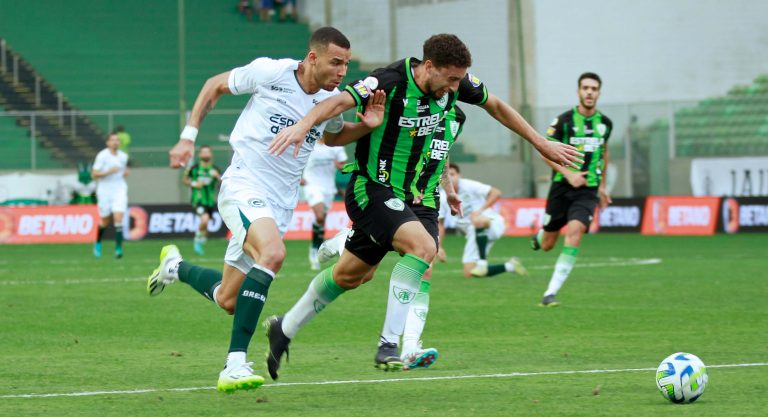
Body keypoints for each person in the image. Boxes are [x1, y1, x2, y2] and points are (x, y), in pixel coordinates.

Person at [263, 33, 583, 379]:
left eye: (460, 80)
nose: (456, 87)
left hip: (422, 198)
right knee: (423, 247)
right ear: (429, 66)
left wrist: (539, 143)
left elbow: (495, 107)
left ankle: (285, 327)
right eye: (451, 79)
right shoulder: (387, 82)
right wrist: (303, 125)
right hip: (374, 187)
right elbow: (337, 103)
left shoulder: (454, 86)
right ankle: (389, 345)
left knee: (351, 275)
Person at [145, 27, 383, 394]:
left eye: (346, 64)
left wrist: (366, 128)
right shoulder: (271, 73)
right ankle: (235, 364)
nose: (341, 71)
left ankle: (174, 267)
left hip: (281, 204)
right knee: (272, 254)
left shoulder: (333, 98)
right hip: (244, 185)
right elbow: (214, 85)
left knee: (228, 298)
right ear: (312, 57)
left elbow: (331, 135)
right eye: (336, 62)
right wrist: (188, 137)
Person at [531, 72, 613, 307]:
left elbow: (604, 153)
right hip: (561, 187)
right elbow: (544, 150)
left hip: (588, 190)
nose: (589, 92)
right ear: (578, 91)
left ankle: (550, 293)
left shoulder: (605, 124)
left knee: (575, 232)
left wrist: (604, 187)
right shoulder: (564, 121)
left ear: (599, 92)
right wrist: (569, 173)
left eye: (594, 88)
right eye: (585, 88)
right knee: (547, 244)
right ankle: (541, 235)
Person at [438, 163, 527, 278]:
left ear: (459, 175)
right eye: (446, 175)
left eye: (453, 174)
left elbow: (496, 192)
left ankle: (482, 263)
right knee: (469, 272)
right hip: (474, 233)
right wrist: (439, 247)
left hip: (492, 222)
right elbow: (440, 224)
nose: (450, 177)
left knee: (477, 220)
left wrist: (479, 211)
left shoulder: (469, 185)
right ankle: (510, 266)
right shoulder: (441, 196)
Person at [302, 138, 347, 270]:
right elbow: (296, 160)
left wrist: (341, 166)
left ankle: (317, 244)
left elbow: (343, 165)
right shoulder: (309, 144)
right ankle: (314, 248)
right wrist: (299, 176)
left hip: (329, 187)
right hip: (312, 185)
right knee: (320, 216)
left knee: (321, 220)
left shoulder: (337, 146)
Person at [91, 133, 129, 258]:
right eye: (112, 140)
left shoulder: (123, 156)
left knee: (118, 218)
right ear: (108, 143)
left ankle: (118, 249)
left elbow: (124, 170)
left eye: (117, 140)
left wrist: (125, 172)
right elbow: (94, 174)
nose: (115, 142)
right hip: (105, 190)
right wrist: (108, 172)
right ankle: (97, 241)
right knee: (105, 222)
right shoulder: (102, 156)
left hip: (119, 189)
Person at [183, 145, 222, 255]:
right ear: (200, 155)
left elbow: (224, 183)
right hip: (198, 199)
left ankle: (201, 239)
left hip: (210, 201)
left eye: (207, 152)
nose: (205, 154)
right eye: (203, 152)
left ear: (211, 154)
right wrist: (194, 183)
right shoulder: (194, 169)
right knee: (204, 219)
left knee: (205, 226)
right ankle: (197, 240)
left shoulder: (215, 169)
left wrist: (218, 176)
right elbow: (185, 180)